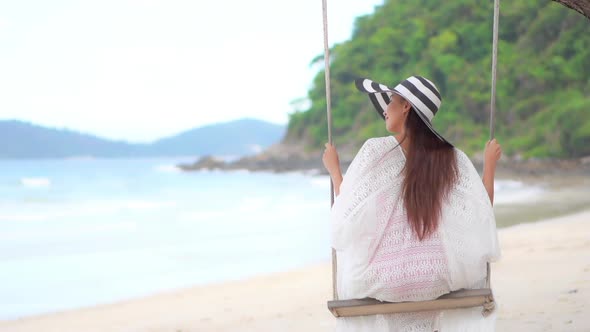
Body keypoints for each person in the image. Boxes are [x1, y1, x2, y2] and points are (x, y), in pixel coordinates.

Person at [322, 76, 502, 332]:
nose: (385, 110)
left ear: (405, 106)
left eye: (391, 102)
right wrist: (490, 165)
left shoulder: (375, 151)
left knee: (358, 264)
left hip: (385, 280)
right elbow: (482, 212)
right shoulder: (450, 157)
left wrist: (335, 171)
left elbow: (348, 216)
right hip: (438, 276)